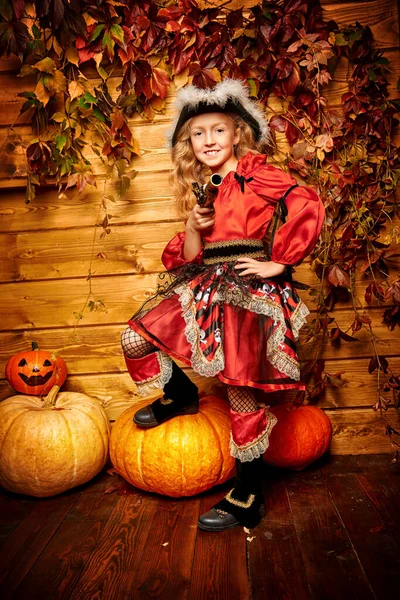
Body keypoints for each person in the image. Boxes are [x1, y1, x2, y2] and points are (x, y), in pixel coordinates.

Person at [121, 79, 325, 532]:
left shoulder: (254, 171)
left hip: (247, 290)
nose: (209, 141)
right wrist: (194, 223)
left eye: (218, 130)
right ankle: (182, 393)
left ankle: (247, 494)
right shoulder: (203, 187)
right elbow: (189, 255)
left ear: (237, 134)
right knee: (135, 338)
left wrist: (280, 262)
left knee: (239, 390)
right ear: (188, 142)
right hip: (206, 280)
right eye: (198, 133)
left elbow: (306, 201)